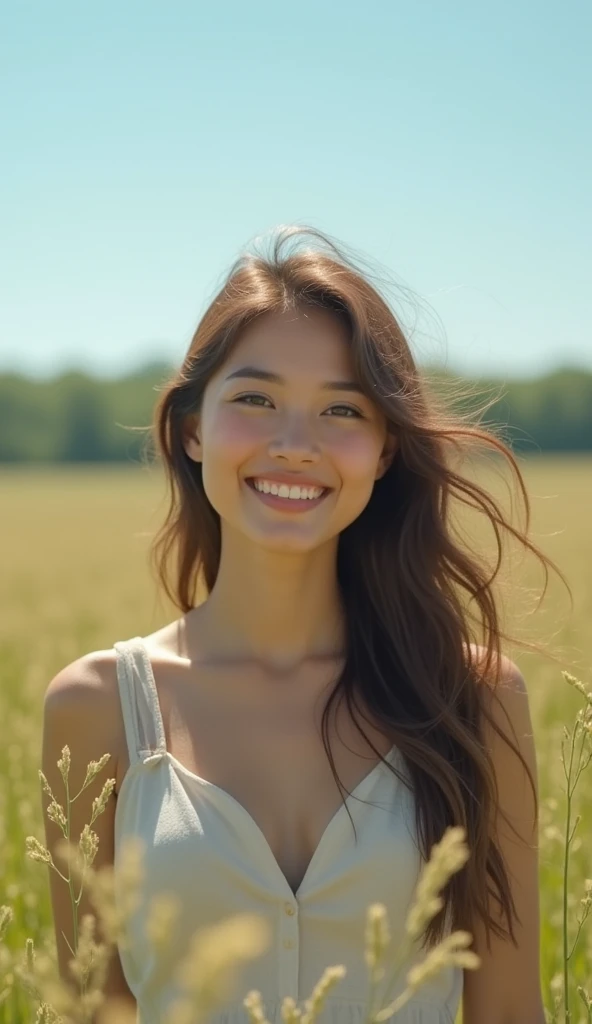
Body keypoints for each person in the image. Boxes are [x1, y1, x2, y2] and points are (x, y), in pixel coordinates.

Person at [41, 226, 563, 1024]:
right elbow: (93, 1009)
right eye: (255, 399)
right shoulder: (98, 707)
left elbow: (510, 1013)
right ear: (191, 428)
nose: (295, 445)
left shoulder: (474, 699)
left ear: (385, 449)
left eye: (342, 409)